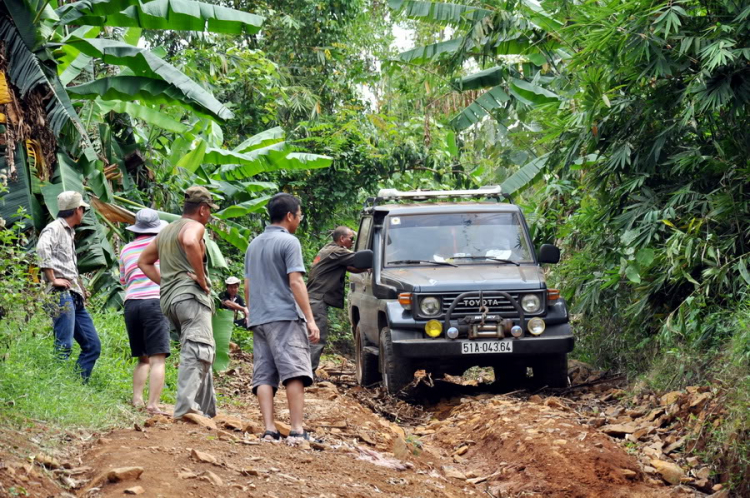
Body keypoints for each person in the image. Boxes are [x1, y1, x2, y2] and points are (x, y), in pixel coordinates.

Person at [138, 186, 219, 419]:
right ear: (202, 209)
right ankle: (186, 409)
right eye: (209, 210)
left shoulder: (165, 231)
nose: (209, 215)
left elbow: (144, 262)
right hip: (190, 297)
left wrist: (166, 283)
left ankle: (206, 410)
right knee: (198, 350)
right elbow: (190, 242)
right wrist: (202, 280)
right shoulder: (194, 226)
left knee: (201, 348)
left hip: (170, 301)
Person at [244, 193, 319, 441]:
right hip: (284, 316)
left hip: (259, 317)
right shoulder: (289, 243)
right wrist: (310, 319)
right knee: (294, 371)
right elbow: (296, 281)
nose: (299, 219)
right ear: (289, 216)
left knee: (264, 372)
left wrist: (249, 310)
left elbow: (247, 283)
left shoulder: (254, 244)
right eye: (299, 215)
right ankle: (297, 429)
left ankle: (269, 429)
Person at [36, 191, 101, 381]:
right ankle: (56, 386)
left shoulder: (69, 231)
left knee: (92, 345)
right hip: (59, 292)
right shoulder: (54, 228)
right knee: (64, 344)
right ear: (77, 210)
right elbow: (42, 249)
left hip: (73, 294)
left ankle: (76, 385)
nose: (84, 212)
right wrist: (52, 279)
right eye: (83, 209)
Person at [119, 208, 170, 414]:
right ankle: (153, 404)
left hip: (131, 304)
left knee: (143, 358)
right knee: (158, 358)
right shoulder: (160, 247)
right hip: (154, 302)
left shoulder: (125, 249)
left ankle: (137, 399)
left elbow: (123, 280)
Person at [306, 226, 367, 373]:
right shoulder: (337, 251)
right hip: (317, 299)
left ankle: (305, 371)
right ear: (342, 239)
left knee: (312, 337)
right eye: (351, 239)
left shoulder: (330, 250)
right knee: (316, 337)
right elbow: (360, 259)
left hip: (313, 298)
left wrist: (366, 269)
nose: (352, 242)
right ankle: (307, 373)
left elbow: (352, 267)